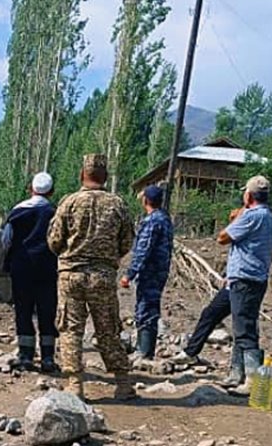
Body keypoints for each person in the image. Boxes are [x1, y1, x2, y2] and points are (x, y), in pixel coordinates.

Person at [47, 154, 136, 401]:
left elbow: (54, 240)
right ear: (105, 177)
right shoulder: (118, 204)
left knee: (71, 330)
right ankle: (123, 382)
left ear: (81, 174)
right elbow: (127, 242)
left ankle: (75, 385)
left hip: (71, 274)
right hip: (103, 276)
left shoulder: (70, 202)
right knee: (108, 328)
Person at [217, 175, 272, 393]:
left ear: (249, 195)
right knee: (242, 324)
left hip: (244, 278)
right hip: (258, 278)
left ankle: (251, 381)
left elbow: (222, 237)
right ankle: (237, 373)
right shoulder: (270, 217)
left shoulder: (250, 215)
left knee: (244, 329)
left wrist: (236, 218)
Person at [2, 171, 59, 372]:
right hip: (48, 268)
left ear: (31, 189)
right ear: (51, 191)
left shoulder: (17, 212)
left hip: (22, 267)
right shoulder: (56, 212)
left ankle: (25, 355)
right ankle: (48, 358)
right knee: (47, 310)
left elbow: (6, 240)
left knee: (23, 310)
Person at [180, 206, 245, 366]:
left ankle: (245, 369)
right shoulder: (251, 230)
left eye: (233, 221)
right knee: (211, 315)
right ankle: (191, 352)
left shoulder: (248, 225)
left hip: (241, 284)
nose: (231, 224)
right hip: (235, 282)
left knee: (242, 326)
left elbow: (221, 238)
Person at [121, 185, 174, 361]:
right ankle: (145, 350)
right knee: (149, 307)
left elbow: (143, 249)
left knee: (145, 309)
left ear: (146, 200)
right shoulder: (165, 219)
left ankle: (144, 352)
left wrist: (130, 274)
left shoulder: (152, 221)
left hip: (150, 272)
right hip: (159, 271)